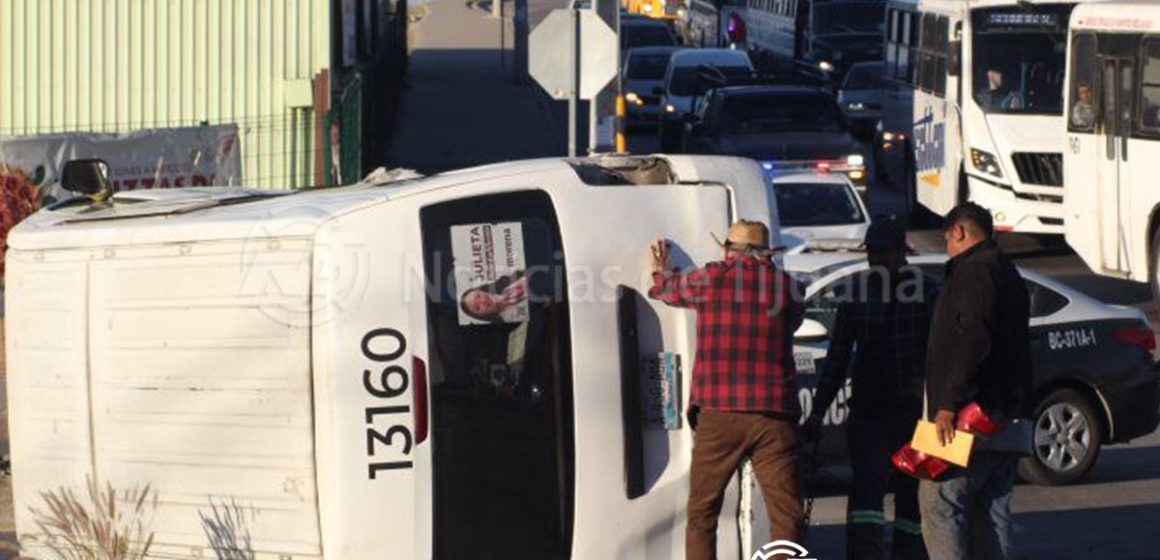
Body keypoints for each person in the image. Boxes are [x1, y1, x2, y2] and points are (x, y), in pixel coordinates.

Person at [648, 220, 806, 559]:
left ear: (727, 249)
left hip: (719, 415)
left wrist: (661, 272)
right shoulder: (787, 288)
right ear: (767, 254)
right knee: (786, 515)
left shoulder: (710, 279)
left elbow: (669, 291)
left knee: (703, 513)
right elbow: (793, 322)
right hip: (774, 415)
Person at [803, 216, 937, 560]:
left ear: (901, 253)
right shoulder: (857, 294)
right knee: (866, 494)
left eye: (882, 253)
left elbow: (942, 355)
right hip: (870, 412)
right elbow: (837, 359)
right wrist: (818, 411)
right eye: (872, 253)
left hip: (914, 413)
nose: (875, 260)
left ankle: (911, 554)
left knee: (913, 494)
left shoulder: (927, 292)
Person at [920, 202, 1032, 560]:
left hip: (969, 416)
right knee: (989, 510)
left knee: (939, 503)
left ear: (959, 232)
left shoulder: (974, 271)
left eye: (947, 241)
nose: (948, 249)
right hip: (1004, 412)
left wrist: (948, 404)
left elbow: (972, 339)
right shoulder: (1005, 269)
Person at [459, 271, 529, 323]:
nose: (483, 301)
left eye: (478, 296)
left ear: (482, 290)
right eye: (477, 307)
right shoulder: (508, 320)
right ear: (480, 315)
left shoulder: (504, 281)